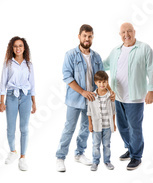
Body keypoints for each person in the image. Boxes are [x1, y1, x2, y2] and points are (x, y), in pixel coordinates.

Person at [102, 23, 153, 171]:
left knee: (134, 127)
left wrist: (151, 90)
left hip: (135, 97)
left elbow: (152, 69)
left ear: (134, 32)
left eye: (129, 31)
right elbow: (104, 64)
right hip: (117, 96)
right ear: (120, 35)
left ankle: (136, 156)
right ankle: (130, 147)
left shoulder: (144, 48)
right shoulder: (116, 51)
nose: (126, 34)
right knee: (122, 126)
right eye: (123, 32)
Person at [56, 24, 103, 172]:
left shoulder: (96, 57)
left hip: (91, 100)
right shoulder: (70, 55)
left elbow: (101, 77)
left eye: (90, 36)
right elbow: (67, 77)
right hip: (74, 99)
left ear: (92, 37)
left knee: (85, 128)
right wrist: (82, 92)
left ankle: (79, 153)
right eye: (84, 36)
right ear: (79, 36)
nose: (87, 39)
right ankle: (60, 157)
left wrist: (99, 94)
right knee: (69, 128)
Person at [0, 36, 37, 171]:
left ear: (24, 48)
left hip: (26, 96)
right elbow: (3, 83)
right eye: (15, 46)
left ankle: (23, 157)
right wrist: (1, 101)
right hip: (11, 96)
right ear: (12, 48)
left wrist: (34, 102)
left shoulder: (29, 65)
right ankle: (13, 152)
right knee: (10, 127)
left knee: (24, 128)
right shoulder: (8, 63)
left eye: (20, 46)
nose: (18, 48)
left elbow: (32, 84)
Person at [87, 71, 116, 171]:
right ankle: (95, 162)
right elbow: (89, 112)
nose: (102, 84)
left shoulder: (110, 96)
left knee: (107, 144)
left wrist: (114, 123)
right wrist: (90, 124)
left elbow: (113, 111)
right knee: (96, 144)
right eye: (99, 82)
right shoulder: (92, 96)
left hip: (107, 126)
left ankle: (107, 161)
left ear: (107, 82)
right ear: (95, 82)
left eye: (104, 82)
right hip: (96, 126)